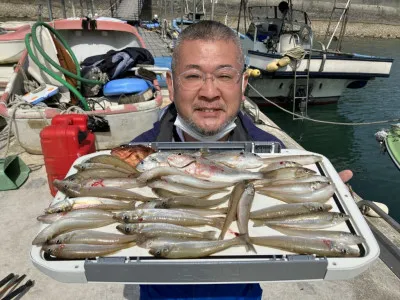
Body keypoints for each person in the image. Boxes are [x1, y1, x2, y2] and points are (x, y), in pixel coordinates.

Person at [131, 20, 353, 299]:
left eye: (224, 76)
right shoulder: (137, 153)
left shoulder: (272, 151)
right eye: (193, 76)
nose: (209, 92)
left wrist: (328, 198)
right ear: (171, 84)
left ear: (243, 83)